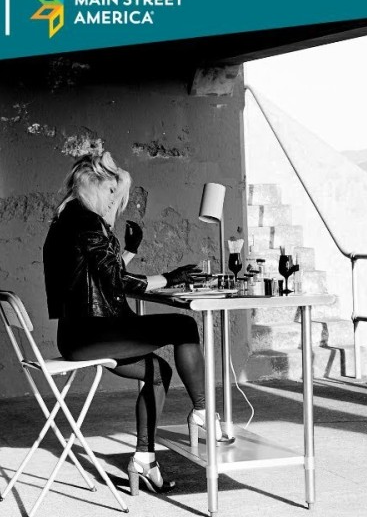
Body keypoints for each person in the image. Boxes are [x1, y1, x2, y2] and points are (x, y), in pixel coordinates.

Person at [43, 151, 234, 497]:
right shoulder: (86, 221)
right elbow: (116, 281)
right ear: (93, 185)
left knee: (158, 371)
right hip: (93, 334)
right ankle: (204, 412)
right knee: (183, 326)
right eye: (111, 192)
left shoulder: (66, 219)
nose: (114, 201)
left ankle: (144, 460)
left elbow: (100, 274)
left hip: (77, 335)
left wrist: (130, 250)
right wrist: (169, 278)